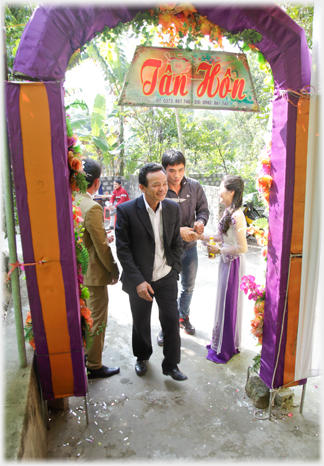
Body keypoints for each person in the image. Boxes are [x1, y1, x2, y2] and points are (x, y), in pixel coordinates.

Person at [115, 162, 187, 381]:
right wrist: (137, 281)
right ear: (142, 187)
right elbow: (123, 250)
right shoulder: (126, 210)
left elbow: (176, 242)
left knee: (171, 320)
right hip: (139, 279)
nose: (163, 188)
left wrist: (174, 269)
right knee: (140, 320)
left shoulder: (173, 208)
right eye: (156, 185)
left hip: (165, 276)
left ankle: (172, 365)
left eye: (164, 183)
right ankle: (142, 356)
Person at [157, 149, 209, 345]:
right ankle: (166, 326)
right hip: (167, 250)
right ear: (164, 170)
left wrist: (201, 222)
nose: (176, 175)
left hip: (190, 248)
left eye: (180, 169)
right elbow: (153, 220)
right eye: (171, 171)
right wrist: (178, 230)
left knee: (188, 287)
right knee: (166, 290)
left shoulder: (194, 186)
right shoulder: (159, 189)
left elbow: (203, 209)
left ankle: (183, 317)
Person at [74, 159, 120, 379]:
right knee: (96, 320)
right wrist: (113, 270)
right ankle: (94, 365)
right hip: (92, 276)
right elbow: (102, 248)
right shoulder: (92, 207)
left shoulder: (71, 201)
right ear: (97, 182)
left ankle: (84, 355)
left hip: (75, 273)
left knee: (82, 317)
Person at [200, 175, 247, 364]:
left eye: (221, 187)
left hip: (233, 263)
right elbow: (220, 237)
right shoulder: (229, 211)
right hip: (225, 261)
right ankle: (220, 341)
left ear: (231, 191)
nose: (219, 191)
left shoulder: (238, 216)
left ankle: (226, 347)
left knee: (228, 302)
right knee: (223, 300)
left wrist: (219, 251)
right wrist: (200, 236)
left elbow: (242, 248)